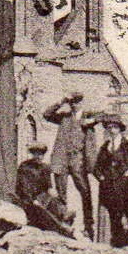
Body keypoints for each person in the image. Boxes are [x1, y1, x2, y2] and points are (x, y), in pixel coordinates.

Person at [43, 92, 95, 239]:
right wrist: (61, 101)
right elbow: (46, 114)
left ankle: (89, 224)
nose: (74, 105)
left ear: (82, 103)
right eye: (72, 103)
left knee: (85, 191)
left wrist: (93, 121)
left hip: (78, 159)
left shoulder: (88, 115)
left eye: (77, 102)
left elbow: (106, 116)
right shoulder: (64, 117)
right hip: (62, 159)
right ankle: (63, 222)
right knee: (61, 192)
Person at [93, 113, 128, 249]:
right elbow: (97, 167)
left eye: (115, 127)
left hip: (127, 187)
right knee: (115, 218)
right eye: (109, 127)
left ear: (120, 129)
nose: (112, 130)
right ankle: (118, 247)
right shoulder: (105, 147)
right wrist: (101, 177)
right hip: (111, 188)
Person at [15, 143, 70, 226]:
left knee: (53, 200)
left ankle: (63, 216)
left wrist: (52, 192)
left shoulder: (45, 168)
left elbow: (48, 186)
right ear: (33, 154)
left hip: (40, 198)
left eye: (41, 154)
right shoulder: (25, 167)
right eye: (37, 154)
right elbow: (24, 187)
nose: (39, 156)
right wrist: (32, 200)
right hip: (27, 199)